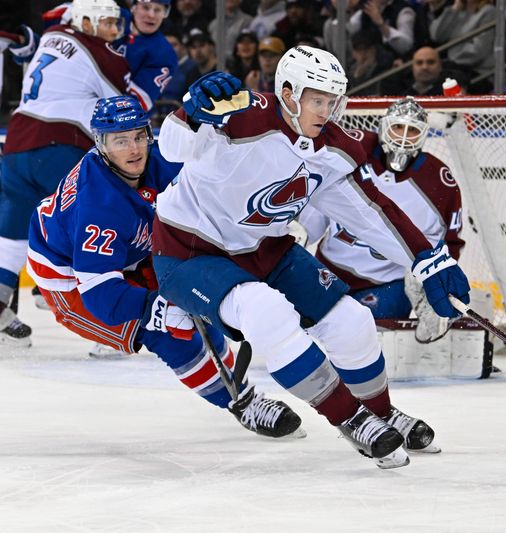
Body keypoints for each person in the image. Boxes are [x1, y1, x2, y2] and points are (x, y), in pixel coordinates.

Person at [151, 46, 470, 468]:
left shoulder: (332, 149)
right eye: (317, 99)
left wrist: (426, 259)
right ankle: (350, 418)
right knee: (266, 313)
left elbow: (370, 212)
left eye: (334, 100)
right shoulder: (237, 114)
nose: (328, 110)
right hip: (189, 249)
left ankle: (381, 411)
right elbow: (171, 149)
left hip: (266, 248)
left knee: (351, 319)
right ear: (288, 92)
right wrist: (190, 110)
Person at [26, 95, 304, 439]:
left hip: (130, 252)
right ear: (101, 144)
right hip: (70, 278)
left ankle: (237, 385)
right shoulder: (99, 205)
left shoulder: (161, 160)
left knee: (195, 297)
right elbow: (101, 296)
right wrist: (156, 310)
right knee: (167, 330)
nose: (133, 149)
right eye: (120, 141)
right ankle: (243, 402)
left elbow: (216, 191)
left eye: (139, 136)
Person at [0, 0, 132, 347]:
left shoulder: (51, 35)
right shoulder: (103, 53)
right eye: (105, 21)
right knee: (97, 227)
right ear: (84, 20)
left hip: (16, 144)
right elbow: (123, 108)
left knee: (12, 237)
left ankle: (2, 307)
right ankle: (106, 329)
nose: (112, 30)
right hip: (60, 144)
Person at [298, 97, 464, 326]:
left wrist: (428, 285)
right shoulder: (355, 151)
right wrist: (299, 232)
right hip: (328, 271)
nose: (403, 137)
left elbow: (446, 243)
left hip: (386, 284)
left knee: (365, 336)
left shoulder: (437, 182)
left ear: (424, 135)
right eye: (397, 127)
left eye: (412, 130)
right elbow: (320, 202)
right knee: (305, 330)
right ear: (384, 126)